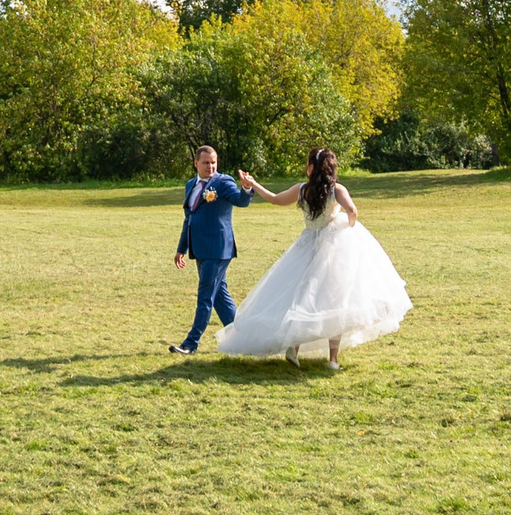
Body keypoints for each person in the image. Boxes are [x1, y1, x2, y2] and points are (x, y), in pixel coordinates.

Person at [216, 149, 411, 369]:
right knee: (335, 299)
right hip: (332, 246)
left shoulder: (301, 190)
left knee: (300, 294)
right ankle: (333, 359)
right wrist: (347, 226)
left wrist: (252, 183)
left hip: (306, 244)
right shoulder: (336, 190)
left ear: (311, 167)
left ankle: (294, 345)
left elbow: (274, 199)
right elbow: (352, 210)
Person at [168, 145, 252, 356]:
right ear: (196, 163)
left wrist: (246, 189)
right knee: (219, 297)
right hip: (200, 249)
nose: (210, 166)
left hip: (218, 249)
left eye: (213, 162)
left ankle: (190, 344)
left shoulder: (223, 182)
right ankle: (245, 340)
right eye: (206, 162)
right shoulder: (190, 185)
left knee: (205, 296)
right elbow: (189, 219)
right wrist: (181, 248)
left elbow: (240, 201)